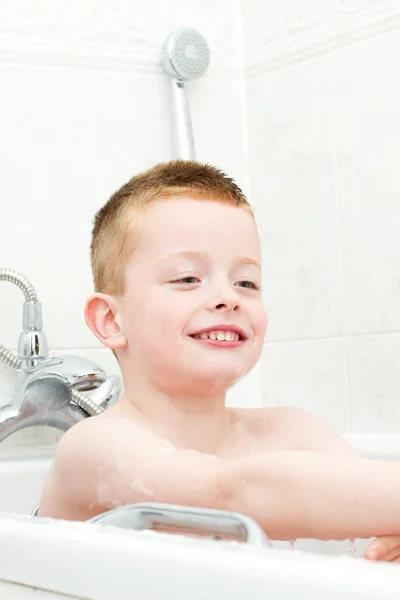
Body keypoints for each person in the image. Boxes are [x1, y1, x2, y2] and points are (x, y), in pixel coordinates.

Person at [38, 160, 399, 562]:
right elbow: (233, 492)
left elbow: (375, 509)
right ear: (111, 320)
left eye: (246, 282)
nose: (228, 297)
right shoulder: (93, 447)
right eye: (188, 278)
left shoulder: (292, 431)